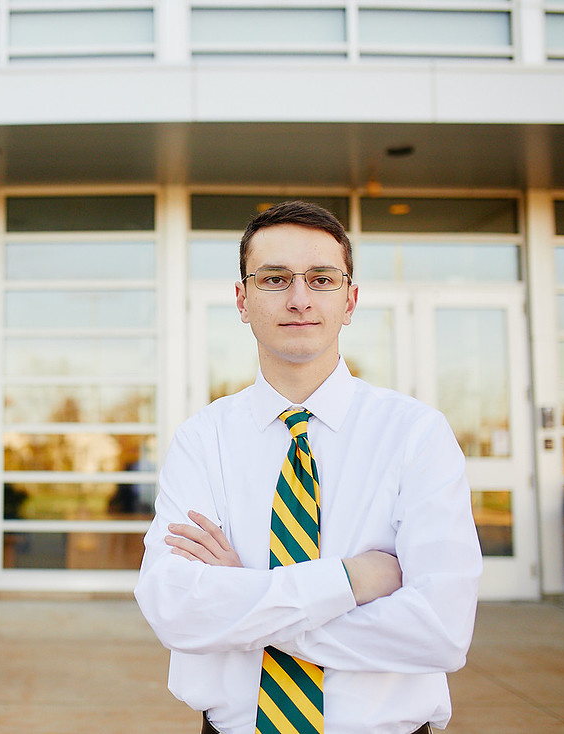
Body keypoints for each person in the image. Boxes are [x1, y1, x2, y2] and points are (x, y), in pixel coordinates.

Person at [134, 201, 482, 734]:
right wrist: (348, 581)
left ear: (350, 300)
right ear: (242, 299)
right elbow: (175, 607)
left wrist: (246, 602)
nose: (299, 299)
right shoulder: (202, 439)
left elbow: (441, 631)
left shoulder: (417, 435)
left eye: (321, 279)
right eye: (275, 279)